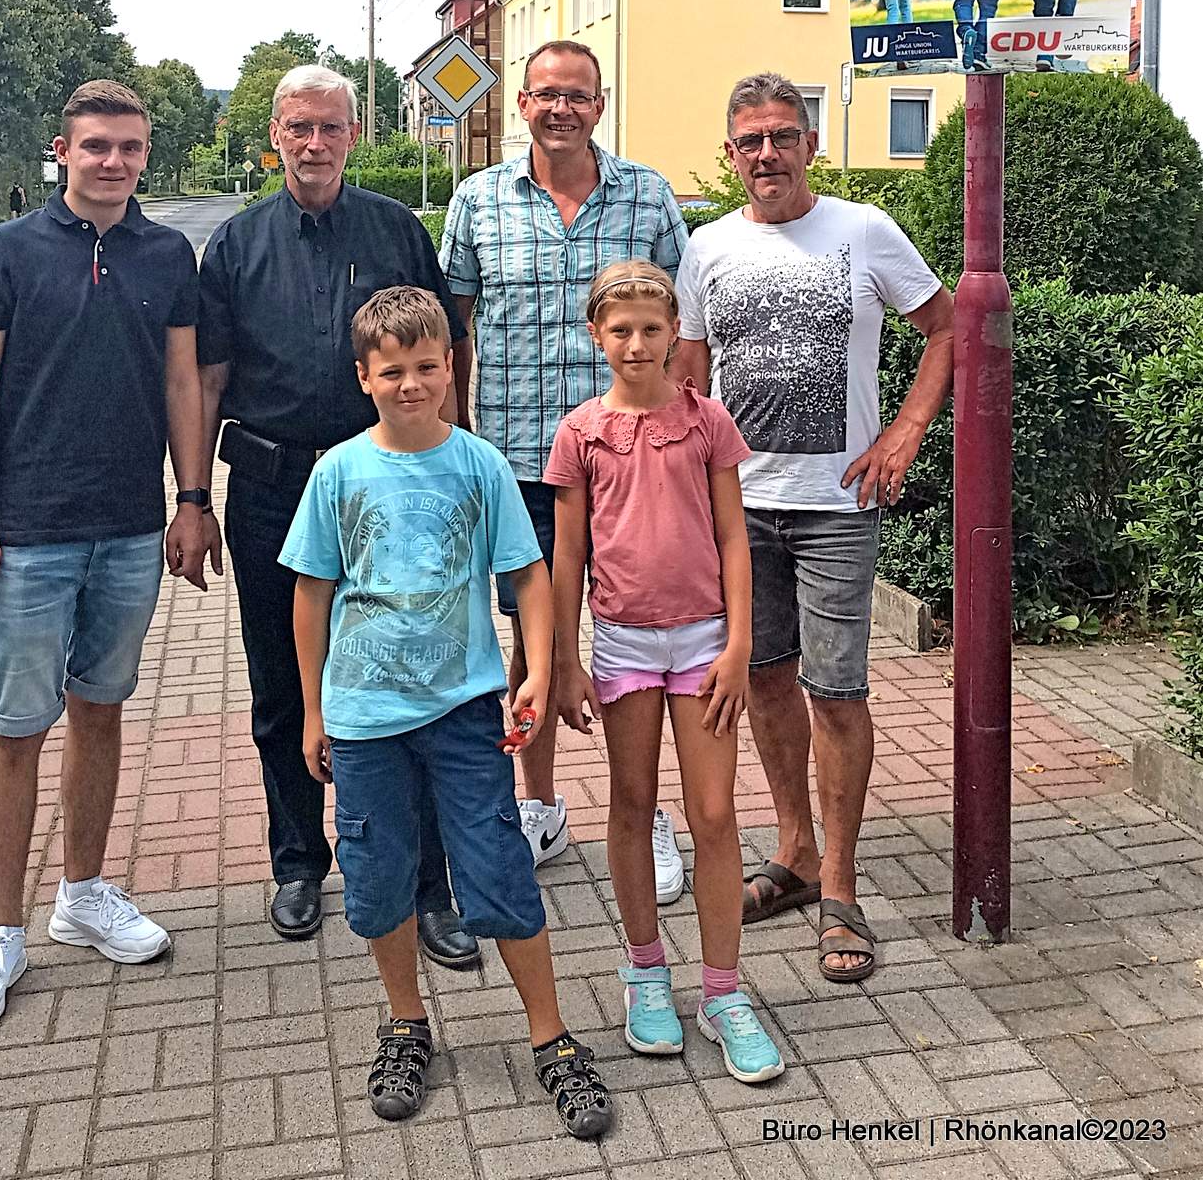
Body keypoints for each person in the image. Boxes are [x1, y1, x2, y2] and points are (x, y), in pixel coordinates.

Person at [282, 286, 614, 1139]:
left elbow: (527, 575)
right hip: (363, 721)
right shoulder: (338, 472)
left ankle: (552, 1036)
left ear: (448, 367)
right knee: (379, 876)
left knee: (497, 870)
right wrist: (315, 711)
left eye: (426, 366)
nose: (411, 384)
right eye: (391, 371)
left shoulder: (479, 464)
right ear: (363, 377)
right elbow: (312, 595)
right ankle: (404, 1024)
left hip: (465, 712)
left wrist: (538, 670)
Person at [0, 80, 219, 1028]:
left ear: (146, 155)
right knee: (16, 725)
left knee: (99, 713)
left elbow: (184, 379)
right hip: (28, 533)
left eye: (130, 148)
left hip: (131, 527)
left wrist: (192, 499)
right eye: (96, 146)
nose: (114, 162)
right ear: (62, 149)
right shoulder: (5, 255)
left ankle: (83, 894)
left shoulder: (166, 252)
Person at [673, 74, 953, 982]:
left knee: (836, 693)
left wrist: (906, 429)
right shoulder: (706, 246)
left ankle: (840, 886)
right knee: (762, 681)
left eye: (782, 137)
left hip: (838, 504)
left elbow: (946, 328)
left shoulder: (864, 229)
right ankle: (791, 854)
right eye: (749, 140)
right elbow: (687, 377)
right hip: (739, 507)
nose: (766, 155)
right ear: (730, 155)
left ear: (808, 146)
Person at [197, 64, 476, 965]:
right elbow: (206, 377)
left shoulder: (396, 230)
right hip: (273, 490)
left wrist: (455, 465)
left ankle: (429, 886)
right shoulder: (235, 247)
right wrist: (193, 497)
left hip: (387, 490)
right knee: (282, 680)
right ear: (273, 135)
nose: (313, 144)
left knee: (416, 679)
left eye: (329, 128)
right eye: (297, 128)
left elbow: (445, 353)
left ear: (352, 135)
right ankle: (296, 860)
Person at [440, 40, 690, 895]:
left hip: (631, 464)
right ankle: (537, 804)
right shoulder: (476, 202)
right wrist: (455, 439)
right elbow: (454, 331)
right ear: (520, 103)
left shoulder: (647, 196)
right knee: (534, 643)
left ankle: (641, 809)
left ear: (599, 102)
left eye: (576, 96)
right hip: (514, 465)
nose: (561, 109)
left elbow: (681, 328)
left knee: (631, 642)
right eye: (545, 95)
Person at [549, 262, 784, 1084]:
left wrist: (738, 645)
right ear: (596, 336)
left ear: (672, 331)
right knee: (632, 802)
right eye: (621, 330)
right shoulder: (580, 433)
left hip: (704, 643)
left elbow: (730, 539)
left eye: (652, 329)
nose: (638, 344)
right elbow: (569, 550)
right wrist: (563, 658)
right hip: (621, 643)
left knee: (714, 814)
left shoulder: (707, 421)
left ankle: (722, 991)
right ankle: (645, 972)